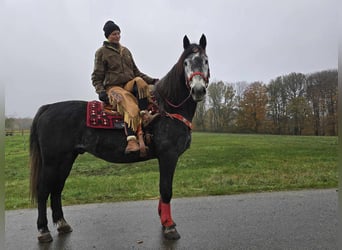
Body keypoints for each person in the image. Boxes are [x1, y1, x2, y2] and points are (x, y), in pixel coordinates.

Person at [91, 20, 158, 154]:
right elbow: (96, 76)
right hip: (113, 88)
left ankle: (144, 114)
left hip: (128, 84)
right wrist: (100, 91)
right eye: (114, 34)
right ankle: (131, 141)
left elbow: (136, 72)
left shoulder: (126, 51)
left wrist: (154, 81)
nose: (117, 36)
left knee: (139, 81)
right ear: (108, 35)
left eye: (118, 33)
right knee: (129, 103)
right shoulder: (101, 52)